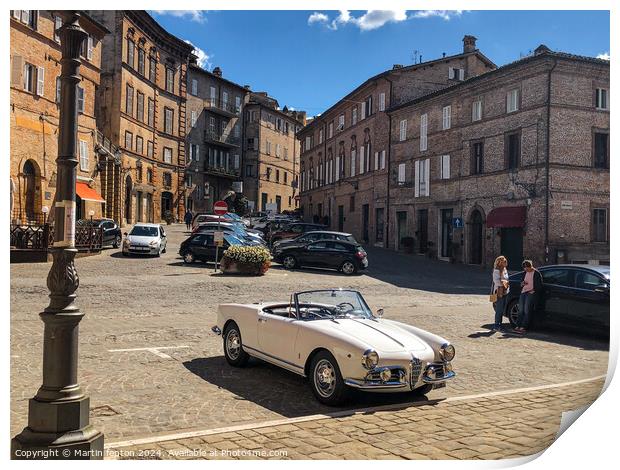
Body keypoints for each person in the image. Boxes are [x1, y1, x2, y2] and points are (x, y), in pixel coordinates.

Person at [514, 259, 543, 334]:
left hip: (531, 292)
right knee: (521, 310)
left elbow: (540, 285)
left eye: (527, 268)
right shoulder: (524, 273)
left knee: (527, 310)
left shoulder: (536, 273)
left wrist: (533, 291)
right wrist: (522, 283)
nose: (526, 269)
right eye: (524, 268)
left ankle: (524, 327)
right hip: (523, 292)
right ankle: (518, 325)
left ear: (530, 266)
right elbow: (521, 283)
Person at [491, 256, 510, 332]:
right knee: (499, 309)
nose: (505, 262)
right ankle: (496, 325)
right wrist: (504, 283)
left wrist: (506, 283)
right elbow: (496, 281)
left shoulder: (505, 269)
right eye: (504, 261)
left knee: (502, 309)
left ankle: (500, 324)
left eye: (505, 261)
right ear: (500, 262)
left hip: (505, 291)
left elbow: (506, 278)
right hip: (499, 291)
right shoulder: (496, 270)